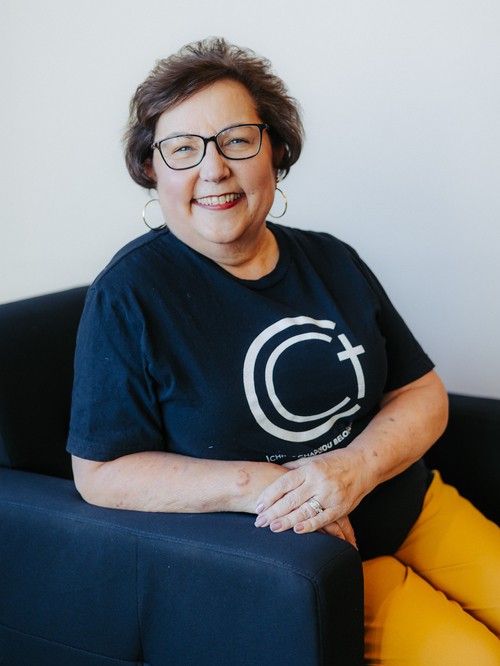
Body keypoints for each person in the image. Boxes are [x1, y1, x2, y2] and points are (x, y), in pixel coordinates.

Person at [67, 37, 500, 664]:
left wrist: (353, 469)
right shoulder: (129, 294)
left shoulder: (332, 258)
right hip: (304, 559)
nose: (213, 169)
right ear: (152, 170)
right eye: (182, 149)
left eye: (237, 140)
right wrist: (269, 486)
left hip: (413, 505)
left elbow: (420, 391)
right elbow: (100, 473)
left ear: (275, 151)